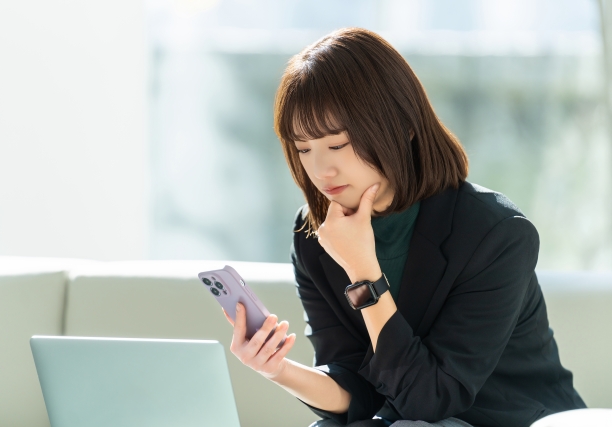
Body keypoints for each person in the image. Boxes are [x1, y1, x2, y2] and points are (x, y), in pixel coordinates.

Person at [222, 27, 586, 427]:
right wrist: (276, 369)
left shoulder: (495, 234)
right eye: (304, 149)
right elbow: (355, 385)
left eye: (337, 144)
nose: (320, 169)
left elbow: (430, 398)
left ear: (402, 127)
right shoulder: (314, 235)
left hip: (502, 419)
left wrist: (363, 272)